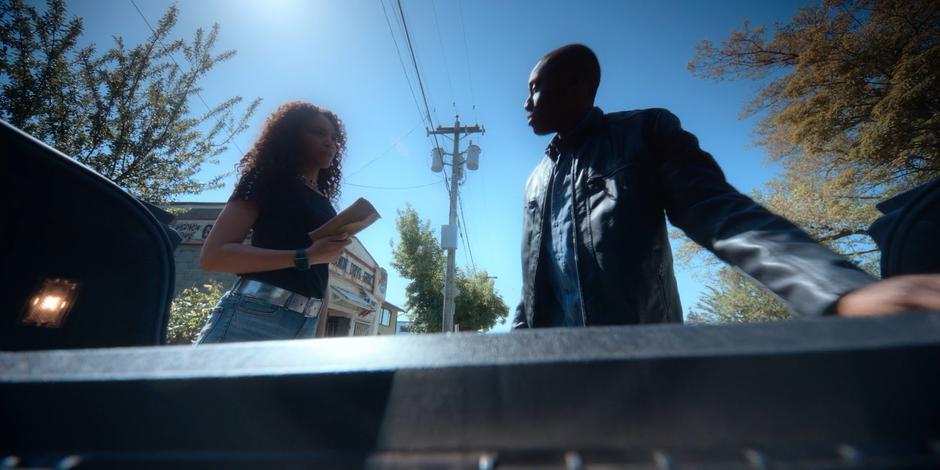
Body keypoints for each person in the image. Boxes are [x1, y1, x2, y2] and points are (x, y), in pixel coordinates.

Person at [514, 44, 940, 329]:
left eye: (535, 89)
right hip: (556, 374)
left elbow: (722, 214)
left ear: (577, 87)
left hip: (644, 365)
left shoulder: (643, 133)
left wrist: (839, 291)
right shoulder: (536, 181)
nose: (526, 103)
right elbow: (535, 285)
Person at [196, 101, 351, 343]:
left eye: (334, 137)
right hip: (252, 318)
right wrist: (306, 256)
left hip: (305, 328)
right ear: (291, 136)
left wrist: (316, 340)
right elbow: (213, 256)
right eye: (319, 133)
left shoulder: (326, 205)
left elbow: (322, 275)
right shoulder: (265, 179)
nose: (330, 142)